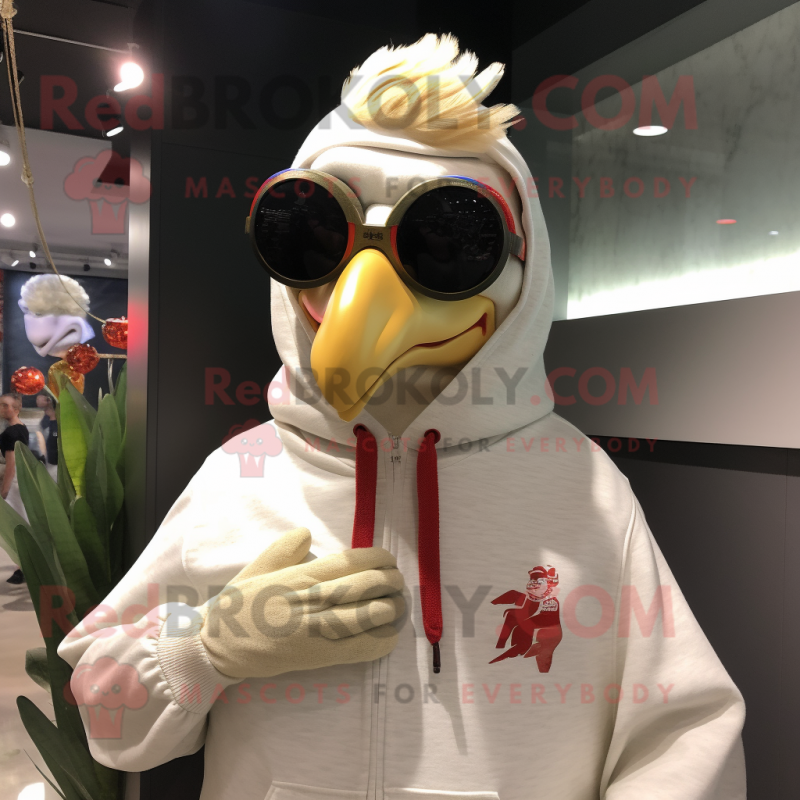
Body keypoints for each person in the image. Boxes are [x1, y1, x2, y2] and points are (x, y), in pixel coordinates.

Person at [58, 35, 745, 800]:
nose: (365, 289)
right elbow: (107, 723)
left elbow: (687, 736)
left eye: (450, 240)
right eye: (314, 231)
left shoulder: (580, 487)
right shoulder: (240, 477)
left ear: (525, 264)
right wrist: (206, 646)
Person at [0, 393, 30, 585]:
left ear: (16, 408)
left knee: (16, 526)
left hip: (15, 484)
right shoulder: (21, 428)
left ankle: (22, 569)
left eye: (5, 405)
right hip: (21, 481)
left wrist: (4, 491)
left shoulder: (11, 433)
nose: (2, 409)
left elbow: (11, 465)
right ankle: (23, 567)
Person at [35, 393, 58, 481]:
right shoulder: (45, 419)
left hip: (55, 462)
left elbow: (53, 440)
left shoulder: (54, 419)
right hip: (47, 459)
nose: (37, 400)